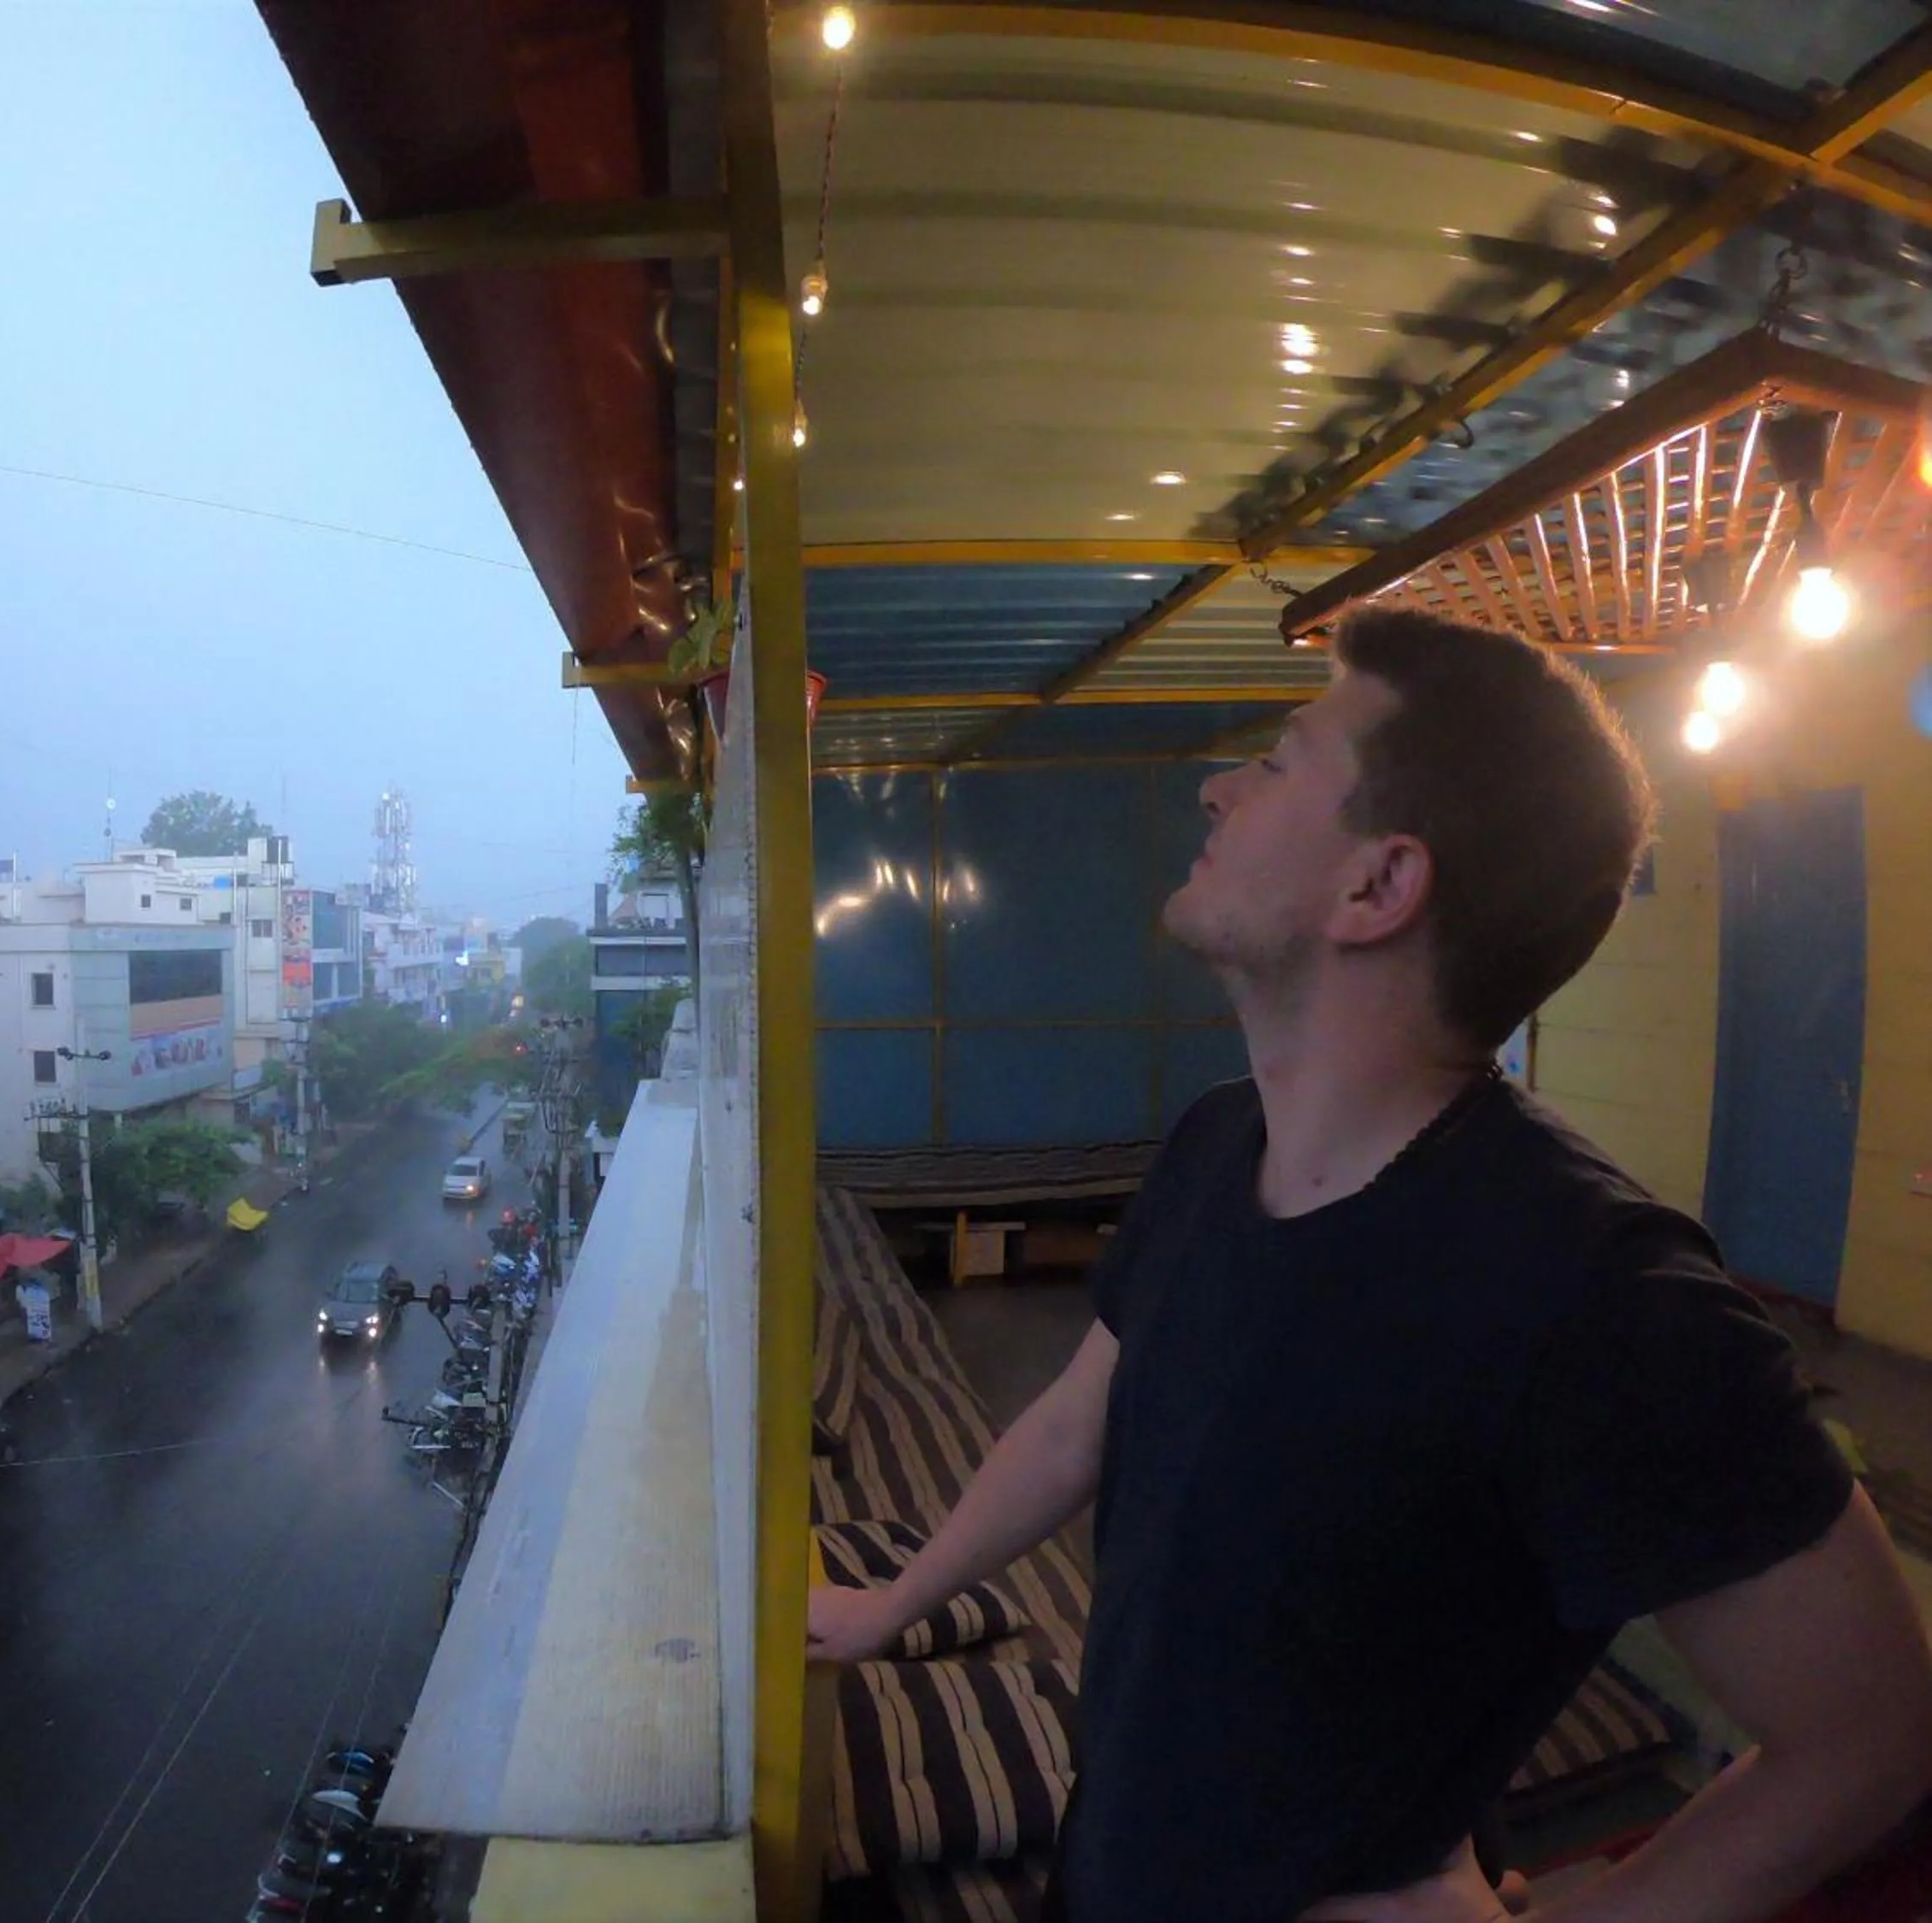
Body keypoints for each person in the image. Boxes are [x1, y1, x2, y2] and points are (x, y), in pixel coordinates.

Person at [808, 608, 1932, 1922]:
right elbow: (1071, 1426)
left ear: (1377, 888)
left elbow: (1872, 1741)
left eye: (1278, 762)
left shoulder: (1596, 1294)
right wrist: (893, 1603)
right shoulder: (1217, 1143)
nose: (1220, 787)